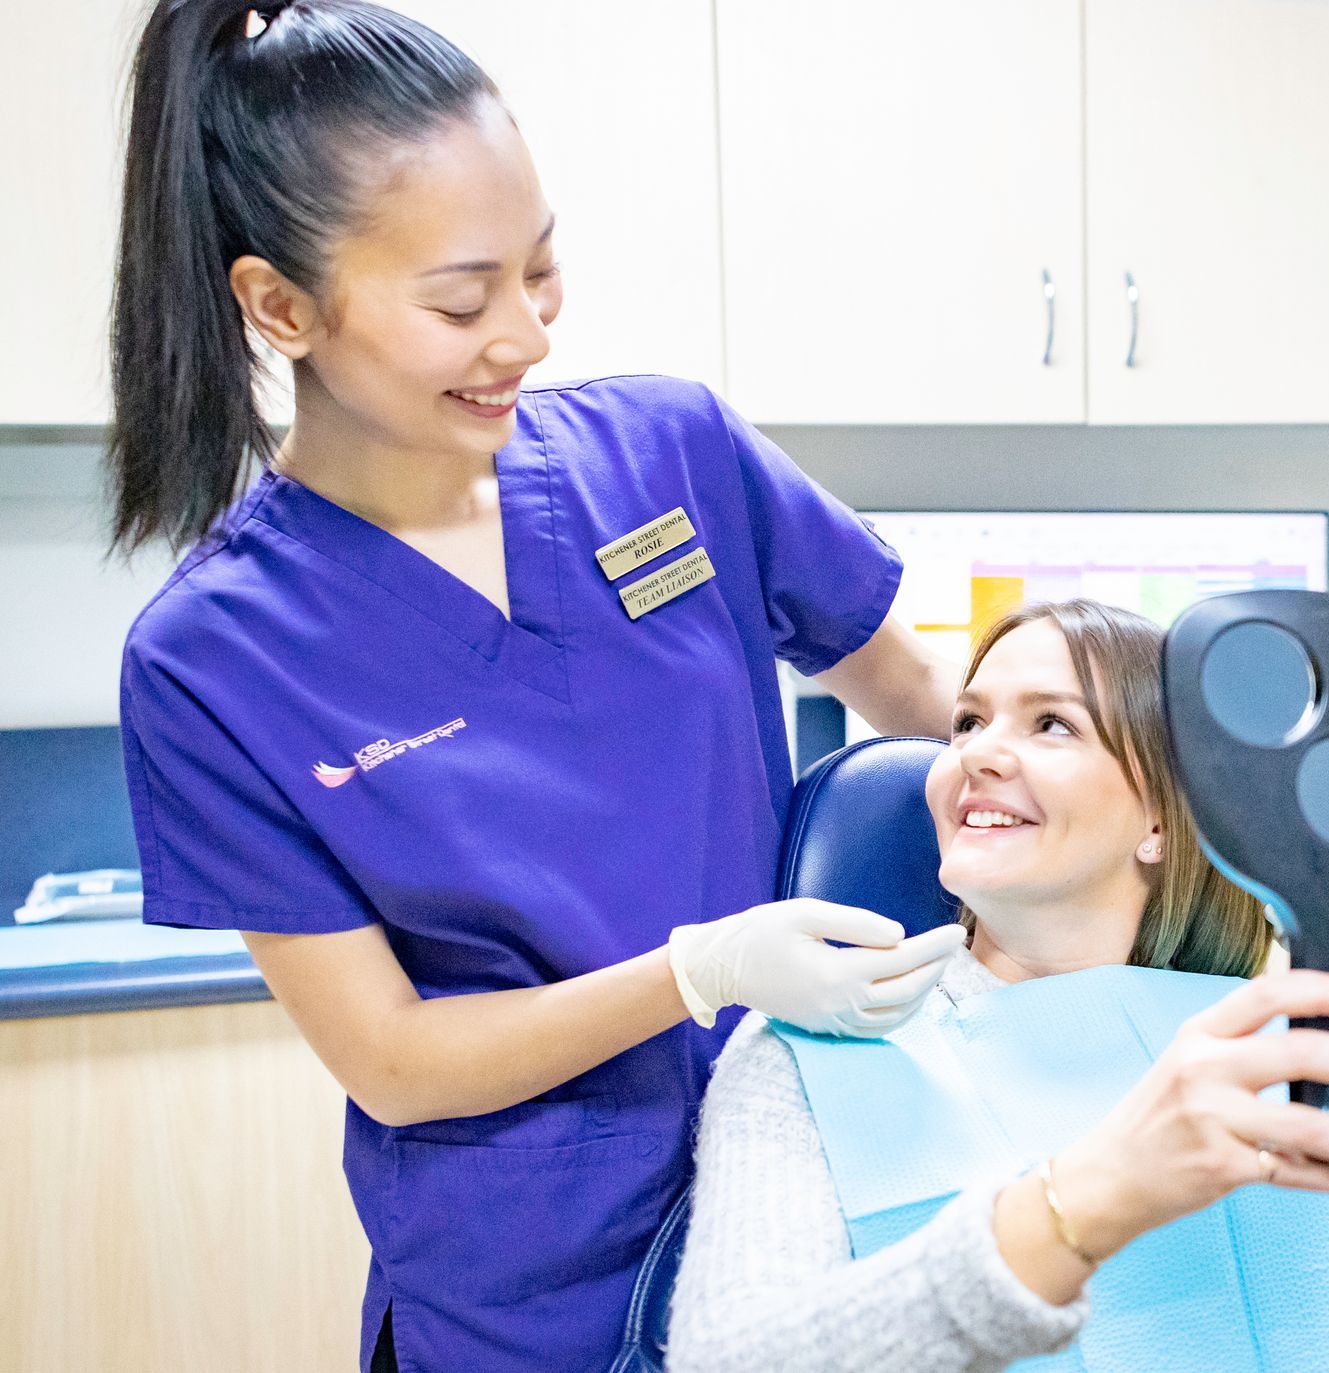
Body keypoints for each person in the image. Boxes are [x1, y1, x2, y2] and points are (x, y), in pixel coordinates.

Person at [105, 3, 966, 1368]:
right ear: (279, 305)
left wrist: (1105, 754)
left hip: (814, 1203)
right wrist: (699, 973)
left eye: (542, 270)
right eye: (461, 299)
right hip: (534, 1292)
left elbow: (925, 696)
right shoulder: (214, 660)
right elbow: (388, 1056)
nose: (528, 335)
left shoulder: (670, 453)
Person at [667, 599, 1329, 1373]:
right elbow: (726, 1358)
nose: (975, 752)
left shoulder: (1262, 1059)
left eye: (1052, 724)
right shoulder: (813, 1049)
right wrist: (1085, 1201)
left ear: (1164, 820)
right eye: (969, 721)